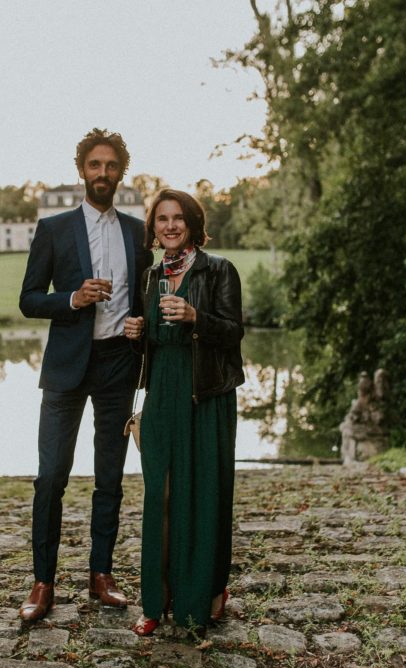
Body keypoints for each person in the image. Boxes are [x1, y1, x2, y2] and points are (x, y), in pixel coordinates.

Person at [18, 128, 154, 623]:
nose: (103, 174)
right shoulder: (54, 229)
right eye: (95, 165)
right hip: (66, 367)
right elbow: (29, 298)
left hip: (118, 362)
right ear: (82, 171)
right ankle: (43, 581)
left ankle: (102, 575)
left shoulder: (139, 233)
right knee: (50, 476)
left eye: (111, 166)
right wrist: (72, 298)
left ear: (121, 172)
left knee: (110, 476)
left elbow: (146, 300)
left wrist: (143, 324)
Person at [122, 188, 244, 635]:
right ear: (153, 228)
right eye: (161, 219)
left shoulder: (219, 271)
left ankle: (208, 593)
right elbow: (152, 345)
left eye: (178, 218)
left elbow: (234, 332)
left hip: (205, 397)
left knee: (205, 494)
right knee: (161, 497)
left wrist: (197, 318)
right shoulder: (151, 277)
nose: (170, 226)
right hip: (162, 398)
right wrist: (136, 333)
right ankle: (156, 601)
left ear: (191, 223)